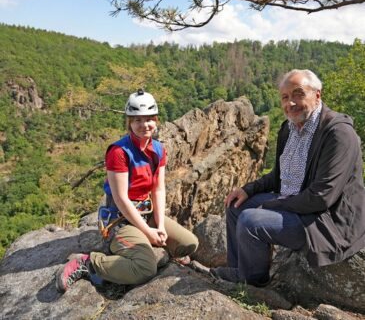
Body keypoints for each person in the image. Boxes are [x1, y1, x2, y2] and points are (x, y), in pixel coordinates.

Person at [210, 69, 365, 286]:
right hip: (295, 204)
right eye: (285, 97)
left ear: (317, 95)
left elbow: (322, 197)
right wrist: (248, 189)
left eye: (298, 94)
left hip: (324, 219)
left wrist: (273, 206)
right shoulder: (289, 128)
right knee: (236, 206)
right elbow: (278, 177)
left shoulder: (338, 134)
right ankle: (239, 270)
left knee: (251, 220)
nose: (290, 103)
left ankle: (252, 282)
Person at [56, 89, 198, 292]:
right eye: (138, 120)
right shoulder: (119, 152)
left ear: (156, 120)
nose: (144, 125)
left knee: (190, 244)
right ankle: (89, 263)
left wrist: (159, 225)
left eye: (149, 119)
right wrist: (148, 232)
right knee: (144, 268)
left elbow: (158, 189)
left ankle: (155, 249)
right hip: (119, 220)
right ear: (129, 122)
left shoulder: (158, 149)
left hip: (145, 214)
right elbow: (121, 199)